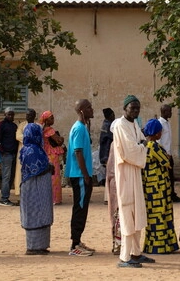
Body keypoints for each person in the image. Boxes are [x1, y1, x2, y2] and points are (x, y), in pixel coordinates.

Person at [112, 95, 151, 268]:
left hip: (135, 170)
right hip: (126, 172)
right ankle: (125, 257)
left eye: (137, 108)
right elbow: (130, 150)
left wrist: (142, 144)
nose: (135, 111)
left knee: (137, 212)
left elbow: (141, 140)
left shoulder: (134, 123)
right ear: (125, 108)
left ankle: (136, 253)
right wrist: (143, 145)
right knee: (128, 212)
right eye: (132, 108)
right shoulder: (120, 125)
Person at [142, 117, 179, 254]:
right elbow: (166, 162)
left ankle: (151, 245)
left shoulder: (144, 145)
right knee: (161, 215)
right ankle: (162, 245)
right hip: (159, 186)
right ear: (157, 133)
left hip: (149, 186)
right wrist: (167, 158)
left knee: (152, 217)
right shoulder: (155, 146)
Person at [65, 99, 96, 257]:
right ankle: (74, 245)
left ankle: (78, 241)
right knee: (80, 209)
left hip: (81, 175)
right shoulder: (78, 128)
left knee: (82, 208)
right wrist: (85, 175)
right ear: (82, 111)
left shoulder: (83, 127)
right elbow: (78, 152)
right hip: (79, 175)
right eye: (89, 107)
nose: (92, 109)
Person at [19, 121, 54, 255]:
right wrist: (48, 167)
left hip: (39, 188)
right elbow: (36, 168)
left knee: (41, 214)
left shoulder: (35, 149)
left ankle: (41, 246)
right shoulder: (31, 150)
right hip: (34, 189)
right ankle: (34, 247)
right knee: (36, 215)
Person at [158, 104, 180, 202]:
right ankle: (165, 195)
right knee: (164, 176)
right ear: (164, 112)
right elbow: (159, 141)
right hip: (164, 155)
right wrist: (163, 154)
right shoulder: (160, 124)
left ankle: (172, 194)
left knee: (170, 176)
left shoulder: (167, 123)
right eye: (169, 111)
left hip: (169, 154)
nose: (171, 113)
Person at [40, 110, 65, 205]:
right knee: (55, 177)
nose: (53, 119)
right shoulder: (49, 130)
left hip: (47, 153)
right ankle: (55, 198)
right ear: (46, 120)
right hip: (52, 154)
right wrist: (61, 138)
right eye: (51, 118)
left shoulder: (43, 129)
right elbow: (59, 141)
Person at [0, 109, 18, 206]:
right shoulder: (1, 125)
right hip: (6, 154)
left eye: (12, 115)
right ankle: (4, 199)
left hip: (13, 154)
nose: (11, 117)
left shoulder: (14, 126)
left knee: (11, 177)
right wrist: (2, 151)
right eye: (9, 115)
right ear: (5, 114)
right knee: (6, 177)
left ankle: (6, 197)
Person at [14, 108, 36, 195]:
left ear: (34, 116)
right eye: (27, 115)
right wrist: (31, 140)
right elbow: (18, 136)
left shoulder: (37, 126)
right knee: (21, 171)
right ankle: (20, 191)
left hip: (34, 153)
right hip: (23, 152)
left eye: (30, 115)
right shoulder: (21, 125)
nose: (28, 116)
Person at [99, 108, 115, 186]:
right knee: (110, 172)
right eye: (113, 115)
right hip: (107, 152)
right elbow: (113, 137)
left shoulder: (105, 124)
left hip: (105, 152)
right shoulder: (108, 125)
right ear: (110, 115)